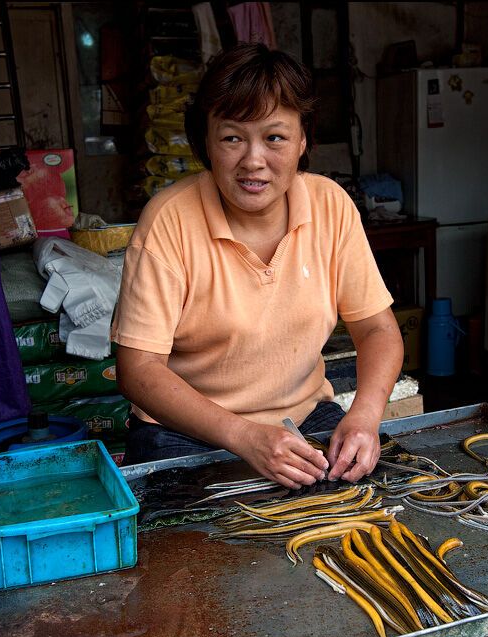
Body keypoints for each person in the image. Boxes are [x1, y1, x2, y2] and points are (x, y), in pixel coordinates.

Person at [111, 43, 403, 487]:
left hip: (303, 420)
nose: (253, 160)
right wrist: (243, 435)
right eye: (232, 137)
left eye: (275, 137)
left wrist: (365, 416)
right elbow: (139, 370)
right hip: (184, 433)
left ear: (302, 139)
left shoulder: (331, 206)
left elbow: (378, 329)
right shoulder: (169, 219)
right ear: (206, 142)